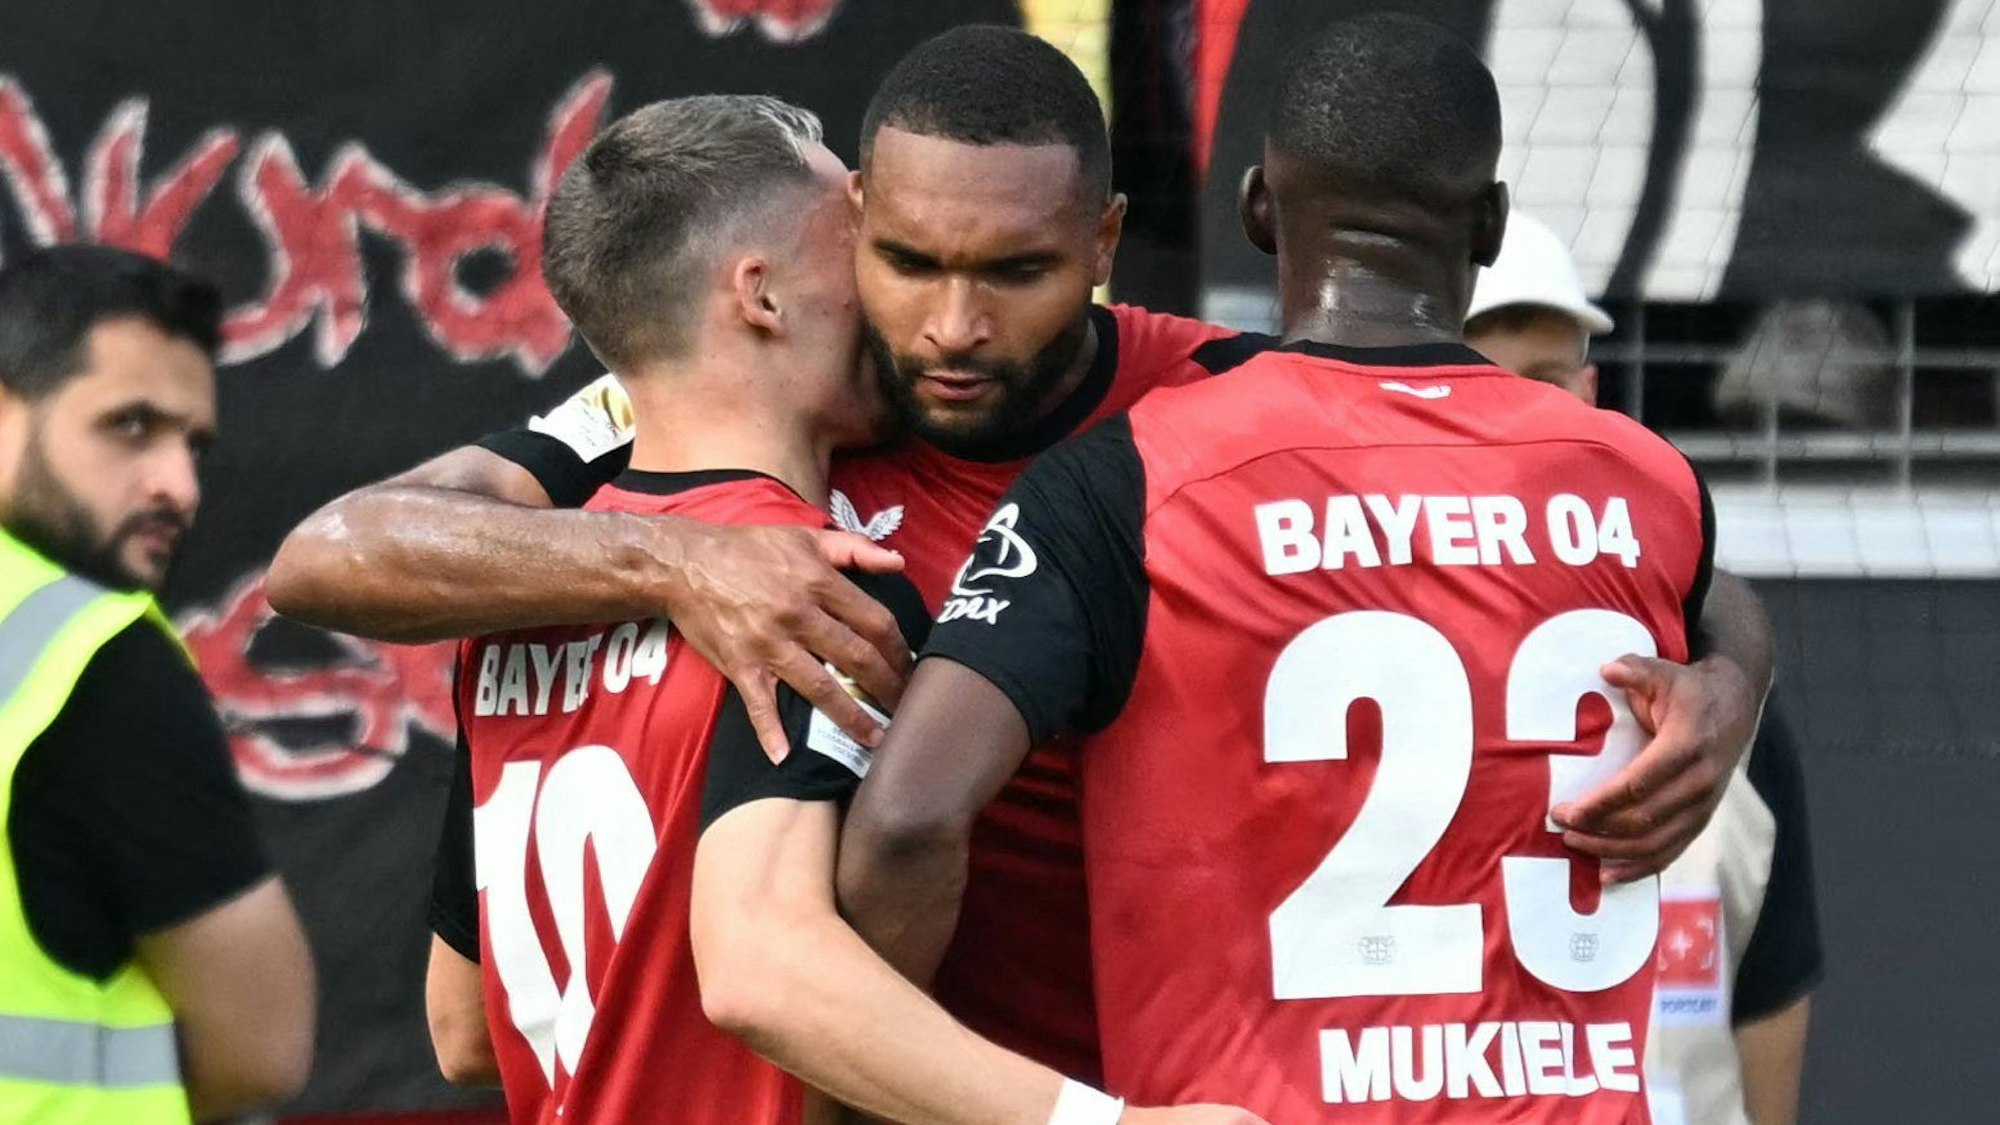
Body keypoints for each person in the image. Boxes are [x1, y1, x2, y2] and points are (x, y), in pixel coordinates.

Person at [269, 25, 1772, 1088]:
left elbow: (1658, 554)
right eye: (908, 264)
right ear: (848, 226)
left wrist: (1729, 680)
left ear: (1107, 241)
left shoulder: (1211, 413)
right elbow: (333, 556)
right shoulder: (748, 423)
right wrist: (677, 567)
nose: (953, 327)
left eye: (1018, 272)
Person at [841, 13, 1724, 1122]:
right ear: (1490, 225)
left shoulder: (1131, 478)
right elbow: (1718, 598)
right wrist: (1733, 685)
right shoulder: (1639, 484)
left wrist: (870, 1086)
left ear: (1257, 209)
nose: (957, 325)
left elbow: (908, 823)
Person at [422, 94, 1261, 1125]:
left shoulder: (516, 601)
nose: (906, 312)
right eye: (862, 250)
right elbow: (762, 973)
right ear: (763, 295)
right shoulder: (808, 588)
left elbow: (463, 1023)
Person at [1465, 212, 1823, 1125]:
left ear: (1590, 391)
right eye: (1482, 383)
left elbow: (1771, 985)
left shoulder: (1724, 689)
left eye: (1545, 382)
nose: (1519, 420)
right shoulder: (1333, 665)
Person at [0, 245, 314, 1122]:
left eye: (194, 445)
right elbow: (263, 1047)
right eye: (129, 426)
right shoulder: (87, 656)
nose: (178, 486)